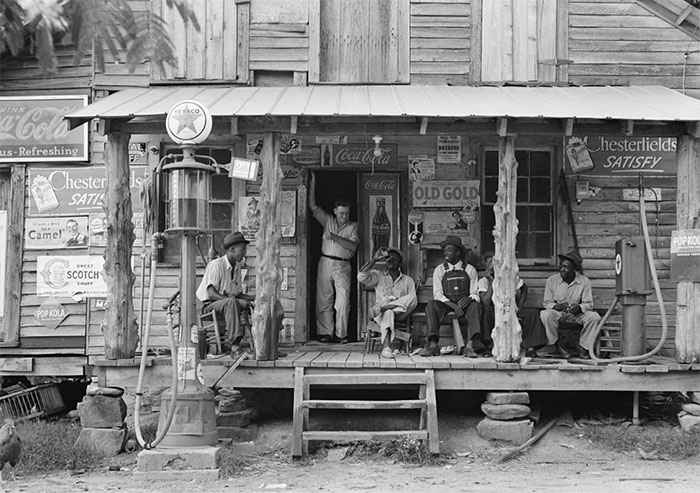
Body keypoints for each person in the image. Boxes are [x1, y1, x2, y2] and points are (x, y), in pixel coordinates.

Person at [196, 231, 283, 359]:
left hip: (227, 303)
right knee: (233, 302)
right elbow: (211, 293)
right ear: (232, 250)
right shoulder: (216, 265)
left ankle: (269, 346)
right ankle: (235, 347)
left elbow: (237, 294)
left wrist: (258, 298)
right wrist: (234, 300)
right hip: (209, 306)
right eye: (242, 249)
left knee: (267, 301)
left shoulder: (236, 267)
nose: (244, 252)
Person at [309, 172, 359, 344]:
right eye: (341, 213)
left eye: (347, 213)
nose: (344, 216)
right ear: (335, 211)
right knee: (324, 300)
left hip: (343, 265)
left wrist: (333, 237)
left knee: (343, 302)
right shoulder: (328, 220)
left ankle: (341, 334)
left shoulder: (353, 226)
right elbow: (313, 206)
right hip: (325, 262)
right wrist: (313, 182)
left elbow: (353, 246)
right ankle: (326, 333)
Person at [420, 236, 483, 357]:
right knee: (431, 306)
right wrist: (453, 306)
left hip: (464, 304)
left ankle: (469, 346)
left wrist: (469, 298)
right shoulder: (440, 270)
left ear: (458, 252)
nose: (445, 253)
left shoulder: (470, 269)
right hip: (446, 304)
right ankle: (433, 345)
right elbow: (438, 294)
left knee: (475, 306)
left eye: (449, 250)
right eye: (444, 250)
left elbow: (475, 292)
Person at [477, 251, 548, 354]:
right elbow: (486, 302)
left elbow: (524, 287)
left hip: (511, 309)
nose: (488, 265)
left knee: (533, 313)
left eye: (491, 262)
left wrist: (520, 306)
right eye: (487, 263)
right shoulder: (483, 281)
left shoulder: (509, 277)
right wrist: (492, 281)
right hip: (494, 311)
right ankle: (488, 346)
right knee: (486, 311)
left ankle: (531, 347)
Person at [539, 250, 601, 359]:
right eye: (561, 266)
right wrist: (556, 306)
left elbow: (589, 304)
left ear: (574, 269)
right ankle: (556, 346)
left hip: (577, 315)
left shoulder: (584, 281)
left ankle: (583, 348)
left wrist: (579, 307)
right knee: (546, 314)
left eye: (566, 267)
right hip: (559, 313)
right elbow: (547, 303)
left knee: (594, 317)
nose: (562, 269)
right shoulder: (551, 281)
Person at [358, 247, 417, 359]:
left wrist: (395, 307)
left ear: (400, 263)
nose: (390, 259)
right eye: (388, 258)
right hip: (380, 314)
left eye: (394, 258)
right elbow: (361, 277)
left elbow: (413, 302)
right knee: (389, 312)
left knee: (411, 297)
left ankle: (387, 307)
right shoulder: (378, 276)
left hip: (399, 313)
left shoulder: (408, 280)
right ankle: (386, 348)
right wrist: (375, 259)